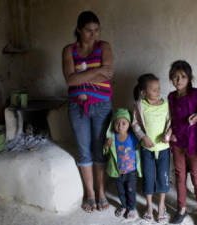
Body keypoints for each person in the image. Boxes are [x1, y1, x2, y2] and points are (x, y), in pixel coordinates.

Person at [62, 11, 113, 212]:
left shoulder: (104, 47)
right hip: (77, 108)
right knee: (84, 150)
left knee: (100, 149)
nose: (94, 35)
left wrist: (81, 75)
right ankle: (90, 194)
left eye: (96, 30)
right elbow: (70, 80)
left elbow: (109, 73)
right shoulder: (68, 50)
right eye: (89, 31)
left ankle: (101, 192)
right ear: (78, 30)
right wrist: (96, 72)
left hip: (101, 106)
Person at [167, 60, 197, 225]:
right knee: (180, 177)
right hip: (178, 144)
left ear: (189, 77)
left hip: (194, 144)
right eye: (175, 77)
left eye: (183, 76)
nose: (179, 80)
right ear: (171, 78)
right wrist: (170, 135)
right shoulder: (171, 97)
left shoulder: (196, 94)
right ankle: (182, 209)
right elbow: (171, 119)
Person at [131, 74, 172, 223]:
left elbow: (171, 122)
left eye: (158, 88)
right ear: (143, 92)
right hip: (146, 149)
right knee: (148, 177)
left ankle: (161, 205)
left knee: (163, 177)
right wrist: (143, 137)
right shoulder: (139, 105)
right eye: (153, 90)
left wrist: (168, 133)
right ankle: (149, 206)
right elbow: (134, 124)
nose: (158, 92)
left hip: (163, 148)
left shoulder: (166, 104)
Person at [103, 108, 142, 219]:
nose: (120, 126)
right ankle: (124, 206)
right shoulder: (112, 138)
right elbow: (106, 152)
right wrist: (106, 145)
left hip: (131, 172)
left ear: (129, 124)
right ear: (113, 124)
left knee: (130, 191)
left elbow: (139, 147)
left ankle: (132, 207)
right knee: (120, 191)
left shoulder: (132, 137)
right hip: (118, 172)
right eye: (117, 123)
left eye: (123, 123)